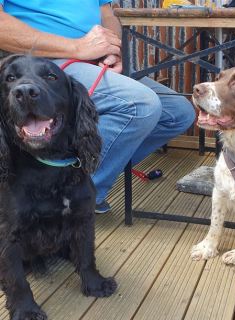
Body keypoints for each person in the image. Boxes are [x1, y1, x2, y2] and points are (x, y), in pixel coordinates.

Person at [0, 1, 196, 213]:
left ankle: (76, 179)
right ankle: (73, 200)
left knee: (178, 113)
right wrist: (78, 47)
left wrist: (112, 51)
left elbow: (107, 14)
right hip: (38, 65)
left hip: (91, 59)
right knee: (141, 105)